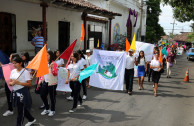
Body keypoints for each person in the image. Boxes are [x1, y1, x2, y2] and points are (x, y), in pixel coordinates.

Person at [9, 57, 36, 126]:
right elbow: (10, 81)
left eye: (16, 63)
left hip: (22, 92)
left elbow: (30, 84)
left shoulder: (25, 72)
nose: (14, 65)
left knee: (20, 111)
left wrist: (19, 83)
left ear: (20, 63)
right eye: (13, 63)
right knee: (21, 108)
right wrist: (11, 83)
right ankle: (31, 119)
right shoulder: (13, 71)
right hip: (15, 92)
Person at [39, 51, 58, 116]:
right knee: (42, 95)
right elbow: (43, 73)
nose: (46, 56)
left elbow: (55, 74)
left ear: (50, 56)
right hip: (45, 82)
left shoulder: (54, 63)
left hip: (52, 83)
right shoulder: (44, 63)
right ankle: (47, 108)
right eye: (45, 55)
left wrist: (52, 68)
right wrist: (40, 80)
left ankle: (52, 110)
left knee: (52, 97)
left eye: (47, 55)